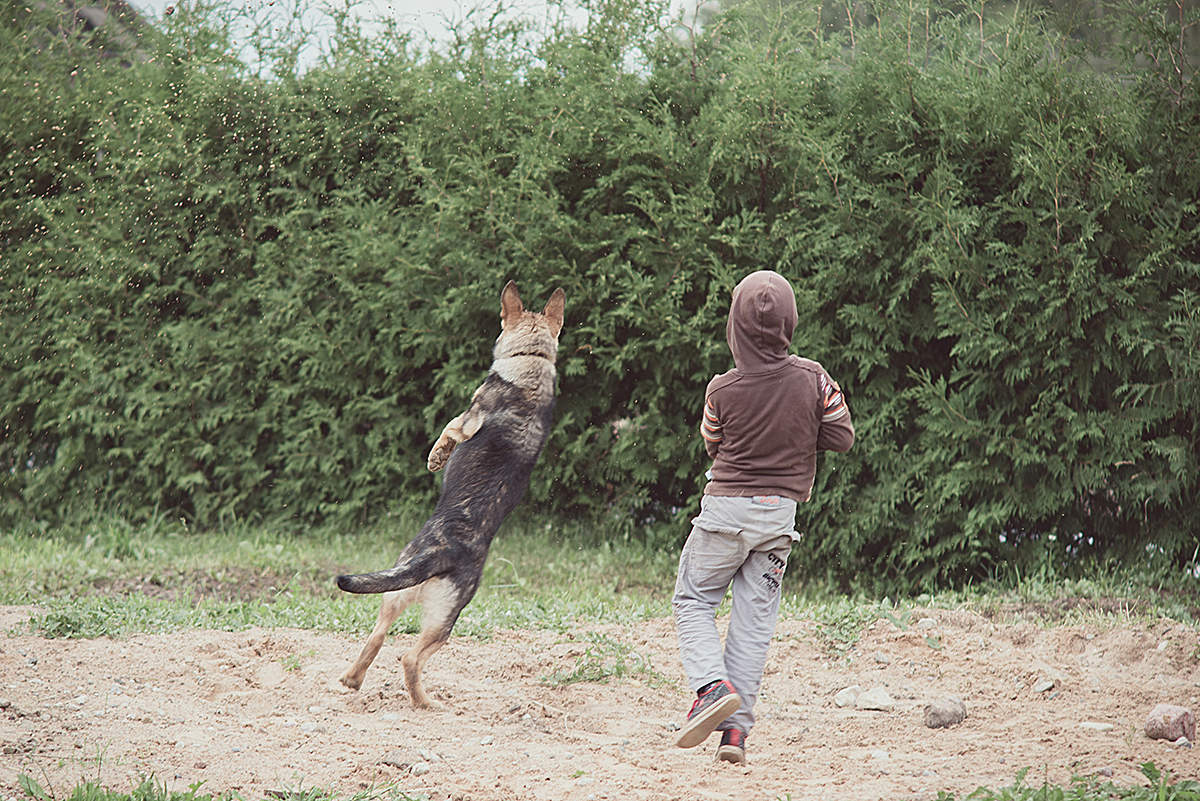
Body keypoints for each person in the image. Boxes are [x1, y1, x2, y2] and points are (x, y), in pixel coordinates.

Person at [672, 269, 855, 765]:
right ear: (790, 321)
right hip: (779, 520)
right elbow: (842, 436)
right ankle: (735, 736)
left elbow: (712, 442)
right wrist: (798, 431)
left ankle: (710, 687)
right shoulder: (815, 379)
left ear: (735, 328)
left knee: (693, 598)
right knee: (753, 624)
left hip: (726, 513)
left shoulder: (721, 390)